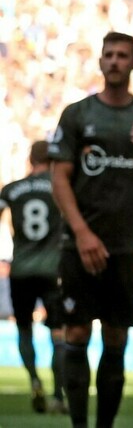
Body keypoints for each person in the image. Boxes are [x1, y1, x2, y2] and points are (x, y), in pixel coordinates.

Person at [49, 31, 133, 428]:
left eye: (123, 55)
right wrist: (81, 232)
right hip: (79, 245)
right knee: (75, 333)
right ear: (100, 61)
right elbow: (59, 177)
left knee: (116, 337)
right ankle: (78, 424)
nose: (115, 61)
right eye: (109, 55)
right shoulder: (77, 114)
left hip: (125, 246)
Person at [0, 140, 67, 414]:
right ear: (52, 161)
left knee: (24, 329)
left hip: (21, 270)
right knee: (58, 333)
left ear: (30, 159)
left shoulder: (12, 189)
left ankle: (34, 380)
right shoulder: (60, 188)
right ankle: (58, 395)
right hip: (53, 270)